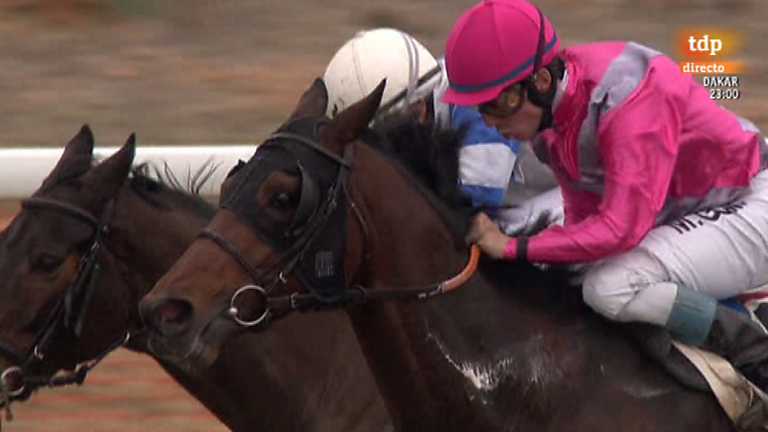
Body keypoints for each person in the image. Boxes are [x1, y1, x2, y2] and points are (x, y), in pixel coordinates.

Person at [443, 0, 768, 388]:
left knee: (610, 288)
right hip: (695, 208)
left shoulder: (628, 100)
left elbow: (620, 229)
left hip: (750, 201)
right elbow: (583, 220)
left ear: (541, 81)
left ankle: (754, 352)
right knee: (578, 275)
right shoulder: (549, 124)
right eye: (480, 108)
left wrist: (515, 247)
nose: (490, 121)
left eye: (499, 103)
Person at [323, 27, 563, 235]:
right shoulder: (423, 80)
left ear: (417, 108)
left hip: (563, 198)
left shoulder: (479, 103)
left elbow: (475, 204)